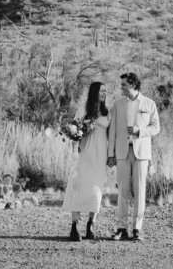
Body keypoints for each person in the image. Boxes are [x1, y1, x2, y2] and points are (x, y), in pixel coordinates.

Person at [106, 71, 160, 241]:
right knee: (122, 191)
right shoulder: (118, 104)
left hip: (141, 153)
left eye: (123, 84)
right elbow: (112, 130)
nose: (121, 87)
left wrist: (140, 131)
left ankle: (137, 229)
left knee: (140, 191)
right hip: (122, 152)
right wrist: (110, 154)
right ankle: (121, 228)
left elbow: (156, 127)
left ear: (133, 84)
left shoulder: (149, 104)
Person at [61, 80, 110, 241]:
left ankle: (91, 224)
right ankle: (74, 226)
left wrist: (112, 155)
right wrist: (76, 137)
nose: (104, 93)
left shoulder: (107, 112)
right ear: (94, 92)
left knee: (96, 190)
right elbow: (74, 129)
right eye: (102, 91)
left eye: (105, 91)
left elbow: (110, 134)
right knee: (79, 188)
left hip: (101, 154)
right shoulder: (83, 110)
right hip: (85, 153)